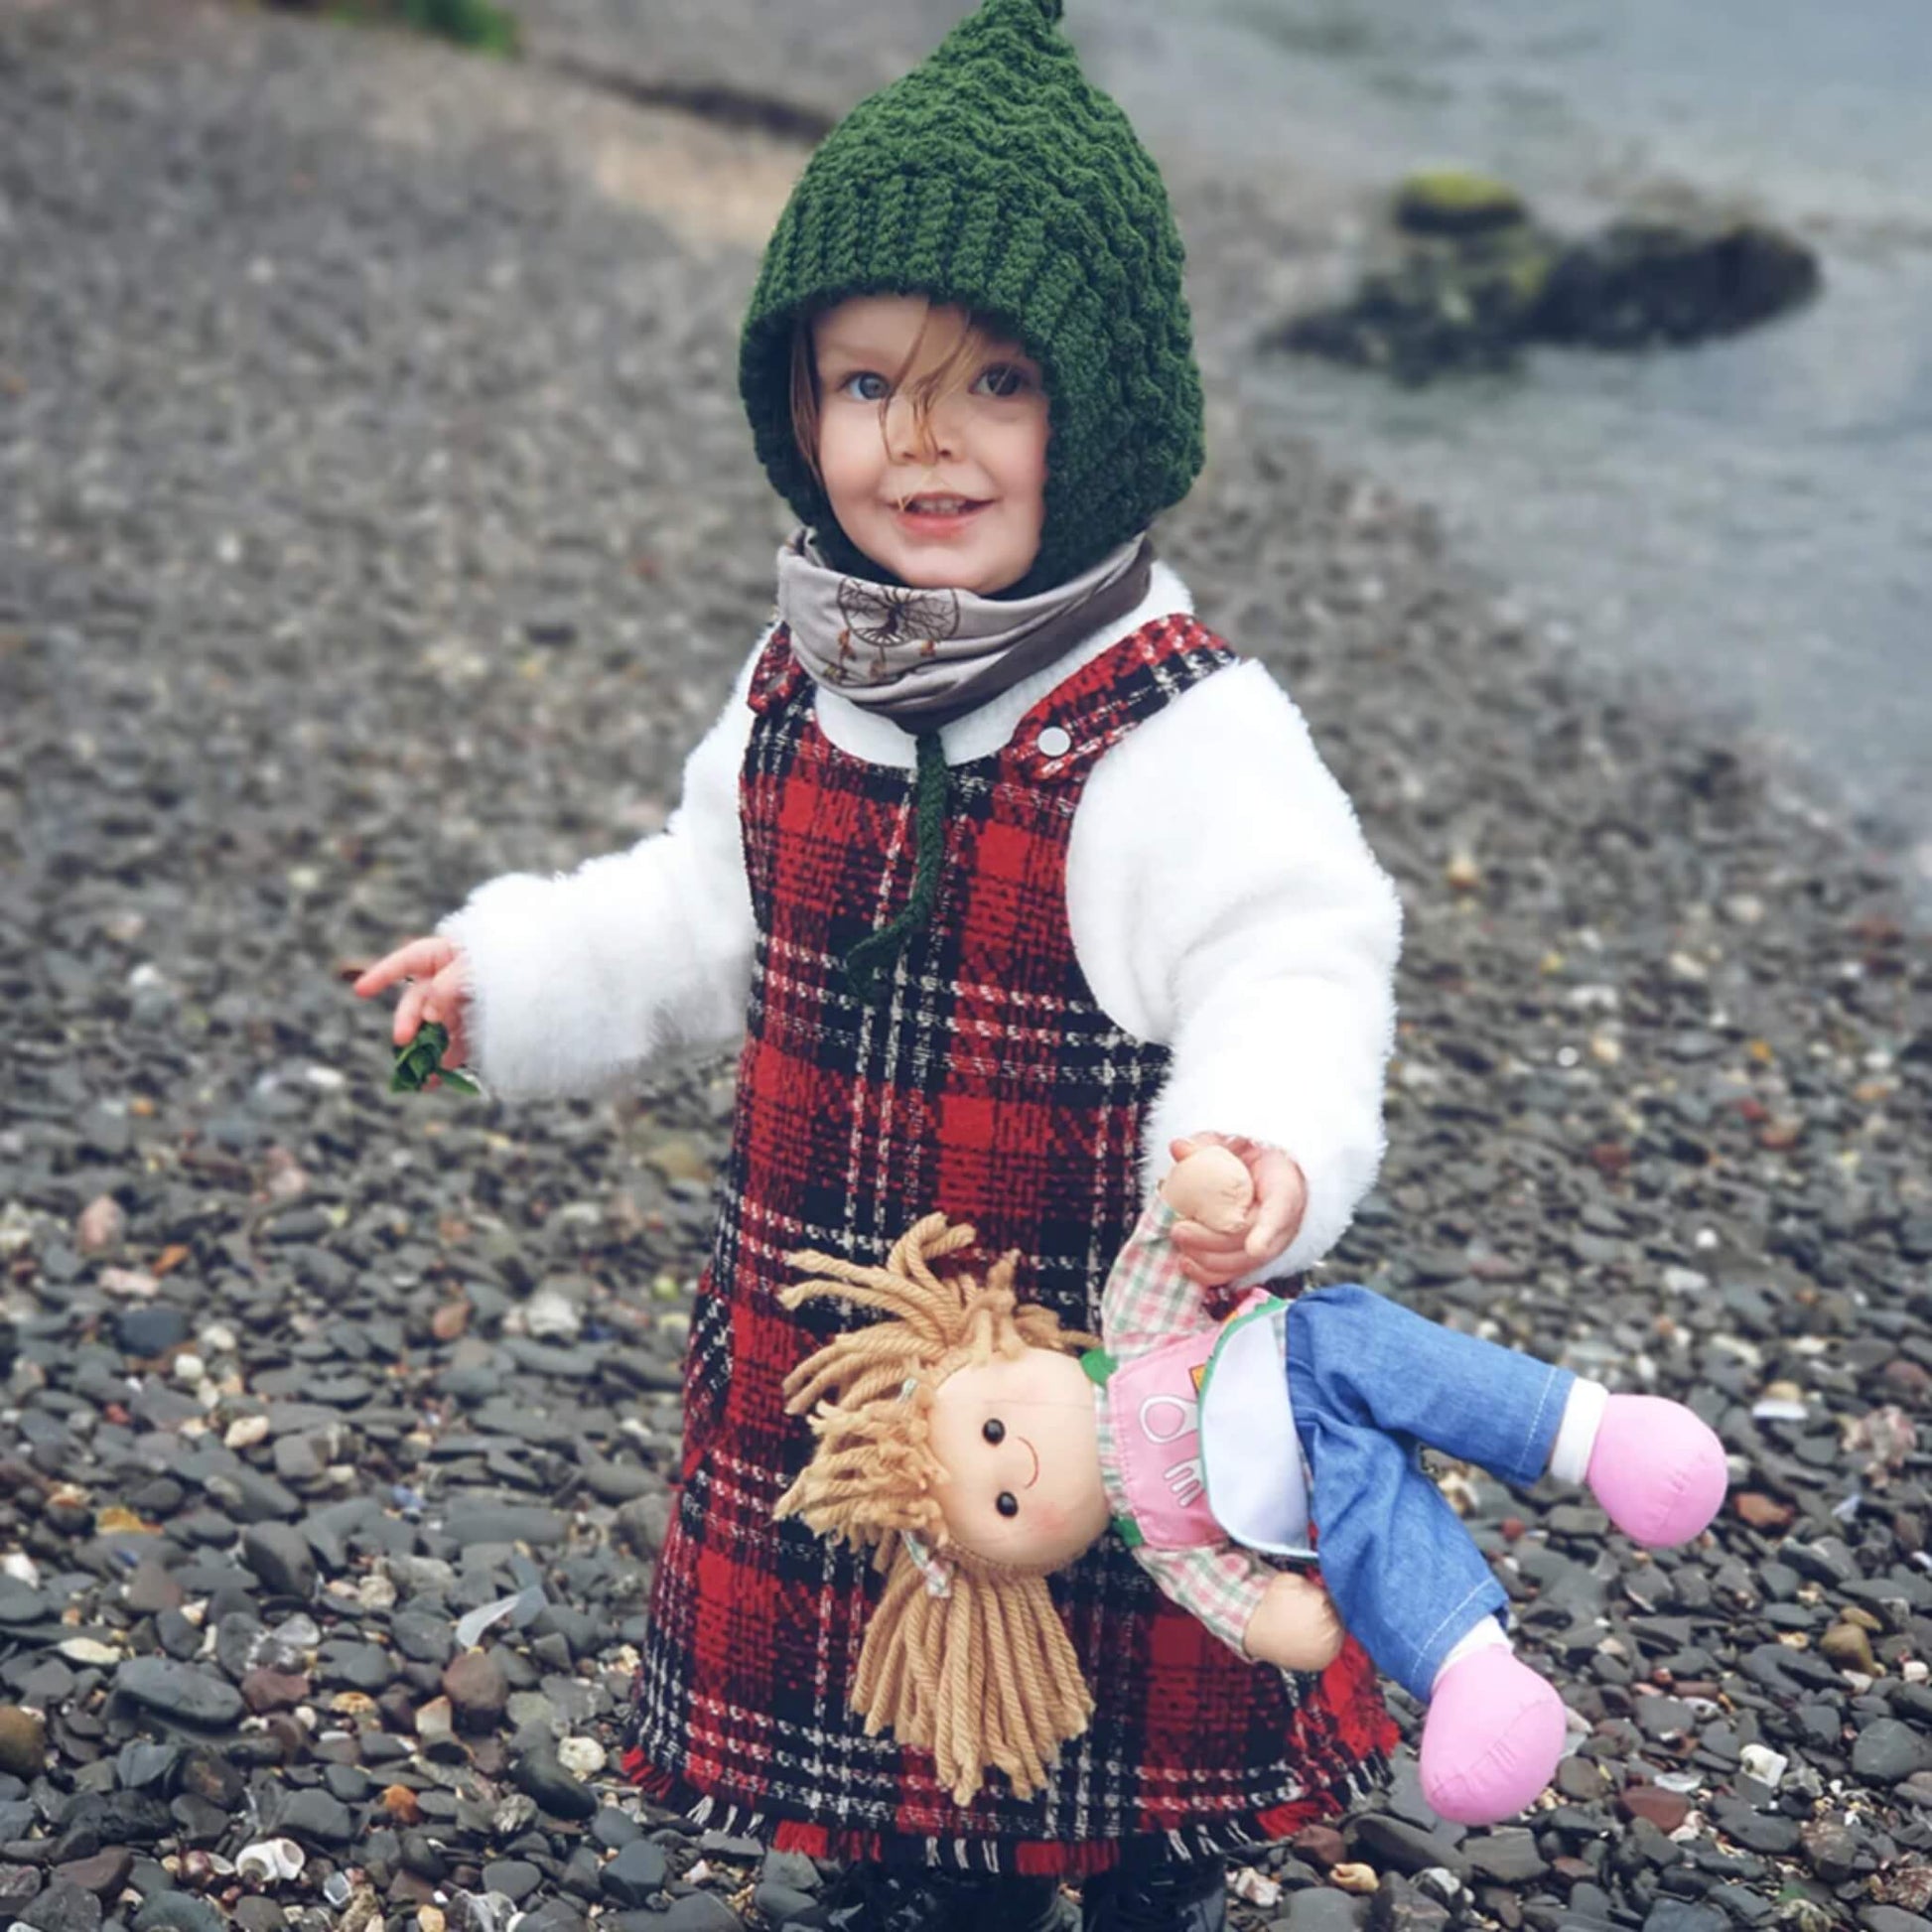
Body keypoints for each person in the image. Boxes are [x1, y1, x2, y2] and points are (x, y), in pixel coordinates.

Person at [355, 2, 1403, 1924]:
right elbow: (696, 916)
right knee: (880, 1686)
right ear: (795, 406)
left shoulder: (1170, 729)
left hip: (1093, 1358)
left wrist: (1264, 1138)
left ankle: (1126, 1867)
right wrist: (511, 976)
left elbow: (1297, 952)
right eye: (863, 387)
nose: (918, 441)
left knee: (1111, 1703)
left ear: (1101, 409)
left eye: (992, 383)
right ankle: (904, 1867)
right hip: (846, 1348)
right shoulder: (802, 683)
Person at [772, 1143, 1727, 1829]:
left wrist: (1201, 1191)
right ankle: (1472, 1673)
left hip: (1315, 1354)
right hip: (1316, 1493)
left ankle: (1598, 1433)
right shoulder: (1155, 1537)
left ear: (991, 1345)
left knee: (1419, 1366)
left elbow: (1166, 1240)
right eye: (1005, 1507)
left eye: (989, 1431)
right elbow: (1219, 1587)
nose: (1012, 1467)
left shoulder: (1132, 1328)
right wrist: (1271, 1618)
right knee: (1375, 1544)